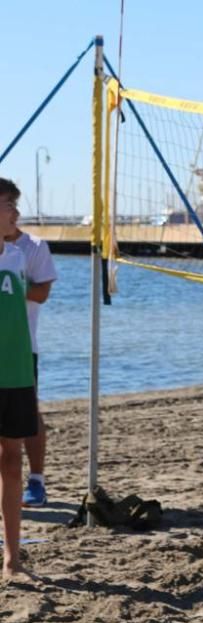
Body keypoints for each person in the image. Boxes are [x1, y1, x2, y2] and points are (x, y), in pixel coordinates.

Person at [3, 199, 57, 507]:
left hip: (22, 349)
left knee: (28, 415)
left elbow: (41, 293)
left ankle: (36, 481)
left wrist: (9, 288)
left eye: (13, 206)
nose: (14, 214)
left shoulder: (29, 249)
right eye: (6, 206)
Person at [0, 178, 38, 580]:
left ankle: (13, 559)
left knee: (12, 462)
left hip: (16, 373)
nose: (16, 213)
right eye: (9, 205)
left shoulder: (17, 257)